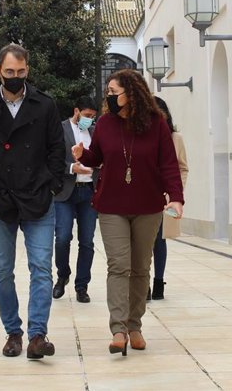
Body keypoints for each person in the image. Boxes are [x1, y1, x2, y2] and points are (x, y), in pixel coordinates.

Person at [71, 69, 184, 356]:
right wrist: (82, 154)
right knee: (118, 266)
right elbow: (98, 156)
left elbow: (169, 164)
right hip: (111, 205)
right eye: (107, 91)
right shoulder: (105, 124)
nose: (109, 96)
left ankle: (135, 326)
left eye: (113, 91)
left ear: (131, 92)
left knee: (141, 267)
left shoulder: (156, 124)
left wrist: (176, 198)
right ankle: (118, 329)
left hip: (148, 206)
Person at [0, 43, 65, 359]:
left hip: (37, 197)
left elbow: (56, 150)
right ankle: (13, 332)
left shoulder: (45, 106)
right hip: (0, 200)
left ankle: (37, 335)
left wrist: (51, 185)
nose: (15, 77)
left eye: (21, 72)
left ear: (28, 71)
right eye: (10, 72)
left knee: (41, 268)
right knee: (2, 269)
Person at [53, 96, 98, 303]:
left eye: (93, 117)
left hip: (89, 191)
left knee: (87, 242)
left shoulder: (95, 132)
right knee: (62, 238)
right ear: (76, 111)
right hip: (65, 192)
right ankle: (63, 274)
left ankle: (82, 286)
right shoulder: (59, 128)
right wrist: (72, 167)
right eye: (87, 116)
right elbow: (51, 159)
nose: (90, 120)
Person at [148, 96, 189, 300]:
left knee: (159, 239)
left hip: (166, 197)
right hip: (145, 194)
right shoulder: (143, 136)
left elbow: (182, 167)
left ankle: (158, 282)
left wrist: (175, 193)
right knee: (142, 240)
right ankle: (143, 283)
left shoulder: (175, 138)